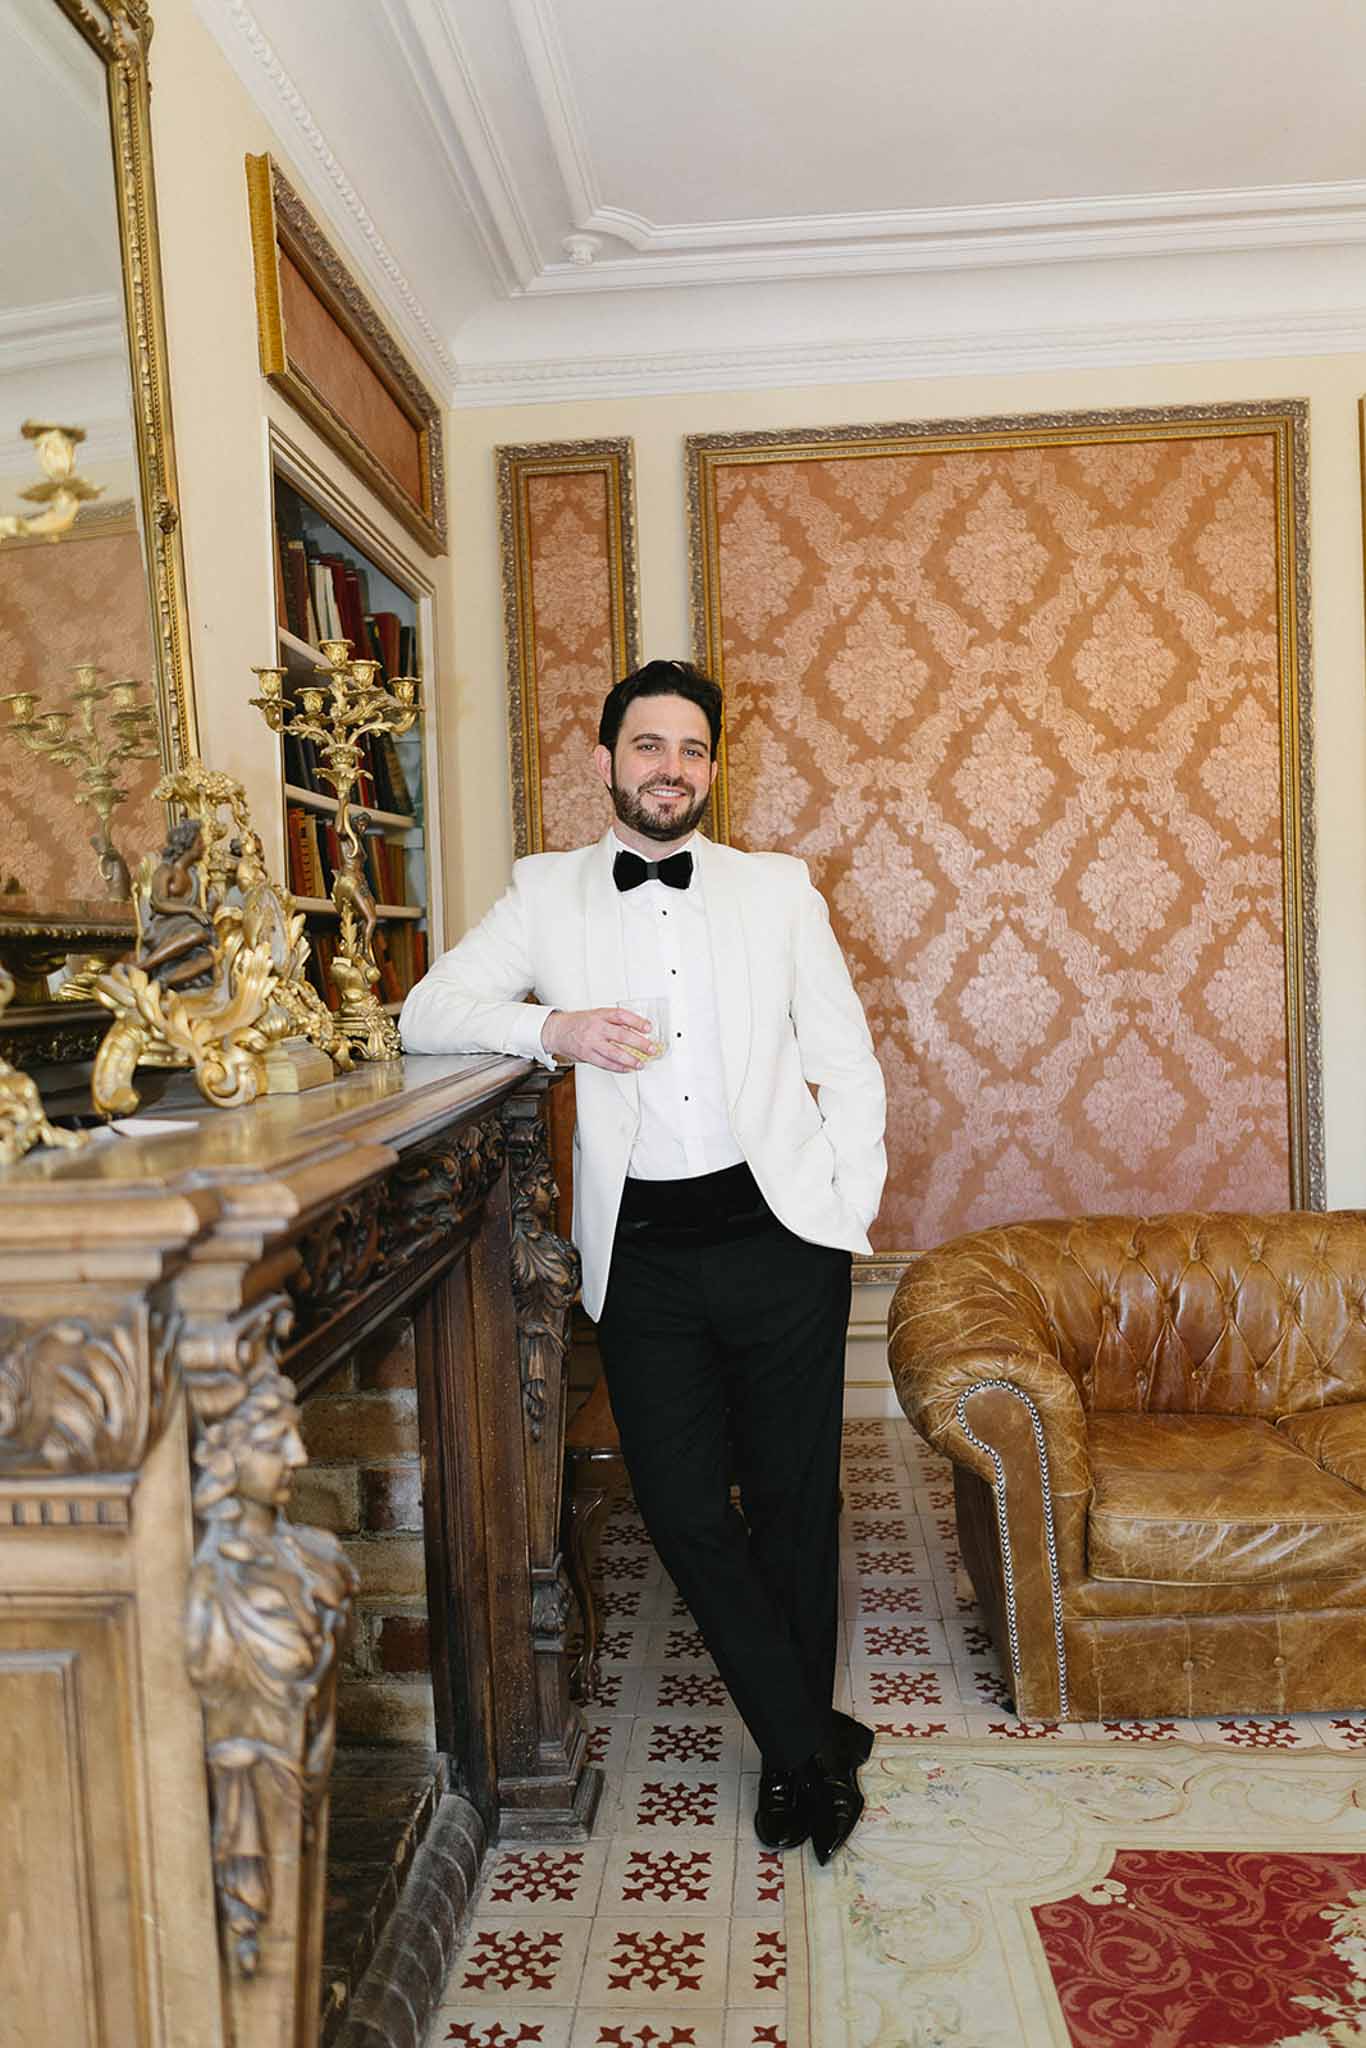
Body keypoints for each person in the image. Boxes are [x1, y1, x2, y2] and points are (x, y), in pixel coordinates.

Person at [400, 659, 887, 1861]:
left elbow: (848, 1060)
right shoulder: (545, 892)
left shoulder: (779, 889)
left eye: (691, 749)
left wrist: (840, 1211)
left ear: (712, 766)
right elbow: (424, 1011)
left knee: (791, 1499)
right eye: (648, 744)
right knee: (679, 1507)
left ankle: (789, 1757)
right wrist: (549, 1031)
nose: (671, 766)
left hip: (781, 1233)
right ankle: (808, 1732)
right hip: (646, 1253)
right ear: (605, 759)